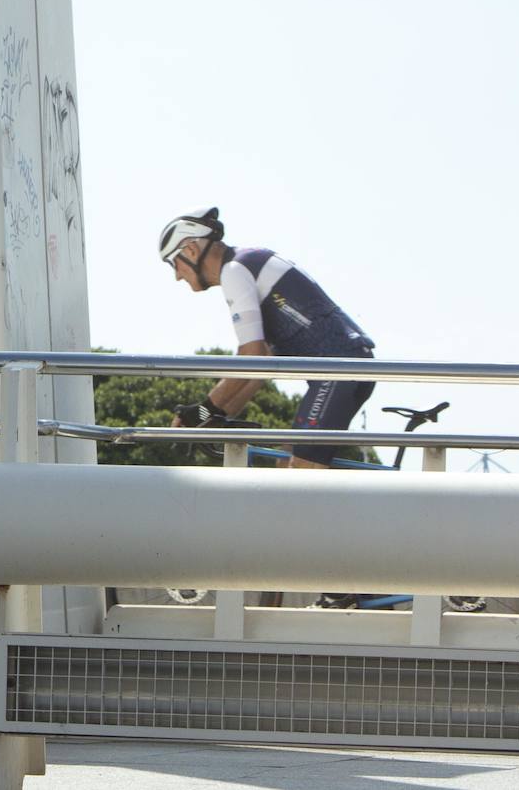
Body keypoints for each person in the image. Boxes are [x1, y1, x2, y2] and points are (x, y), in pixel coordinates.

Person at [159, 206, 375, 609]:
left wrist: (204, 411)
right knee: (285, 472)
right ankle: (325, 587)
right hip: (340, 371)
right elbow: (258, 373)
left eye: (174, 264)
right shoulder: (247, 262)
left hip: (337, 374)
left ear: (191, 249)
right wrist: (218, 414)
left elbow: (252, 355)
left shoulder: (235, 271)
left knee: (301, 483)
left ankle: (349, 584)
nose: (176, 276)